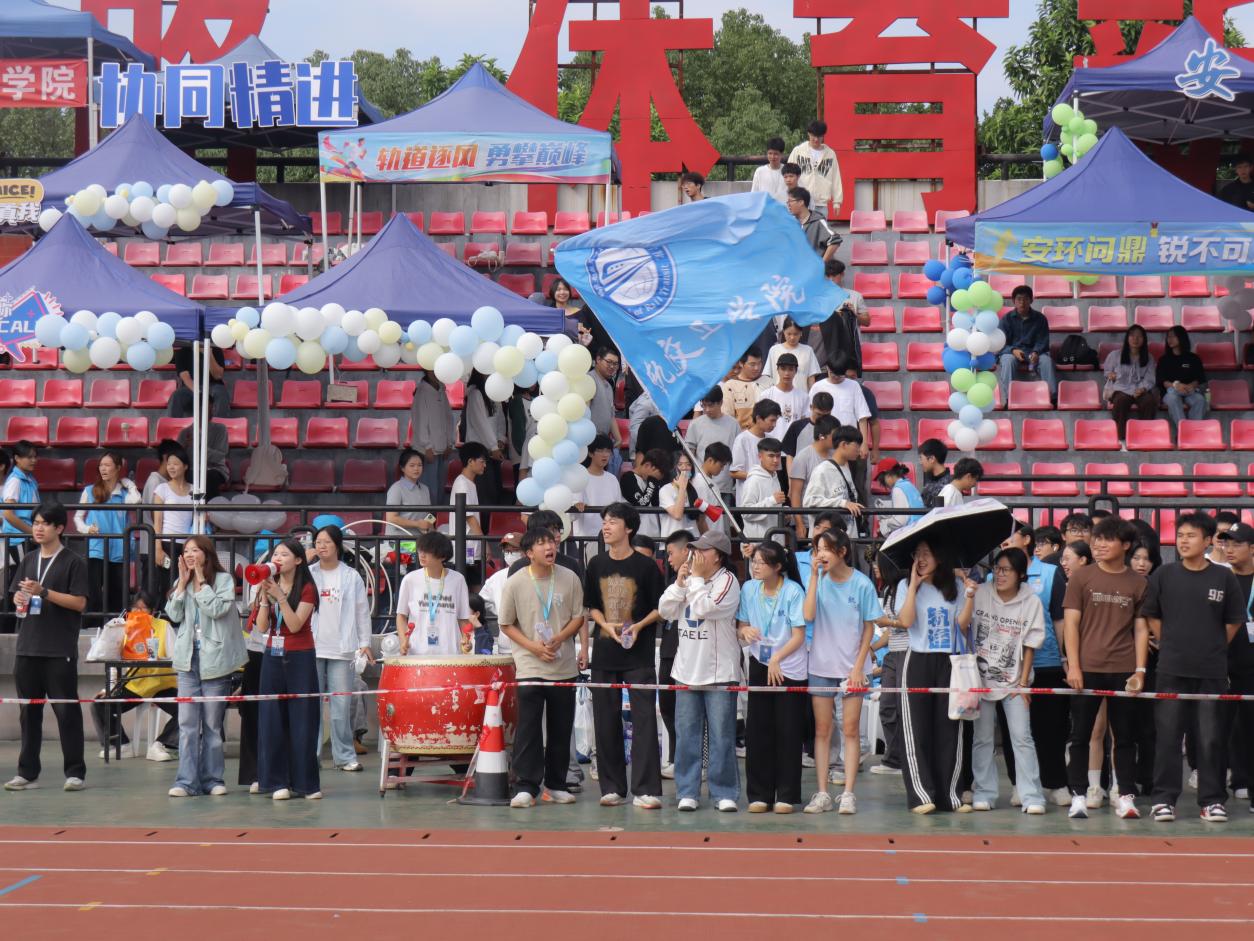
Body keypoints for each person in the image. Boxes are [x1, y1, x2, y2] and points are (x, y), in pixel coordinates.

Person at [1143, 513, 1244, 823]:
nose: (1183, 541)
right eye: (1180, 535)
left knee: (1211, 738)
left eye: (1191, 535)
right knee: (1168, 737)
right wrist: (1170, 643)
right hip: (1171, 669)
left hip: (1212, 672)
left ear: (1208, 540)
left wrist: (1213, 647)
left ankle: (1212, 800)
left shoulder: (1224, 578)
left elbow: (1234, 621)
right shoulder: (1164, 575)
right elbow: (1152, 615)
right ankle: (1164, 799)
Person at [1062, 517, 1149, 820]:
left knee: (1124, 736)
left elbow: (1141, 629)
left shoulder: (1138, 583)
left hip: (1123, 669)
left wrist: (1140, 670)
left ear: (1125, 545)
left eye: (1107, 539)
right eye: (1096, 538)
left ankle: (1125, 796)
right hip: (1087, 668)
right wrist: (1074, 666)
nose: (1098, 544)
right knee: (1080, 735)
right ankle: (1078, 795)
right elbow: (1071, 624)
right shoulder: (1081, 577)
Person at [584, 503, 666, 808]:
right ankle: (612, 788)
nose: (606, 527)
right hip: (604, 652)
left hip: (639, 654)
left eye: (613, 522)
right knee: (605, 720)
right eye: (604, 522)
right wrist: (606, 625)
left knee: (644, 721)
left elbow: (660, 608)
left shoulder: (646, 566)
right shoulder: (596, 564)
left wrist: (638, 626)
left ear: (628, 528)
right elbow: (592, 606)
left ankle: (645, 789)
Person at [4, 502, 89, 792]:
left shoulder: (73, 562)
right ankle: (27, 773)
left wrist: (45, 592)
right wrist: (18, 599)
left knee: (66, 711)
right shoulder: (29, 559)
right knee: (29, 713)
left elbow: (79, 603)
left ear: (60, 528)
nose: (38, 528)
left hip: (58, 648)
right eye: (36, 523)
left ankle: (75, 772)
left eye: (44, 523)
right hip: (28, 646)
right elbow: (17, 594)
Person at [499, 529, 586, 807]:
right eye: (541, 543)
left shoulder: (569, 577)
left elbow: (578, 616)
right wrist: (533, 647)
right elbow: (506, 623)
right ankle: (526, 786)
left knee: (561, 727)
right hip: (529, 665)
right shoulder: (515, 582)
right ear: (529, 553)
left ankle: (556, 784)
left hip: (563, 664)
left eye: (551, 542)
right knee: (529, 727)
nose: (549, 547)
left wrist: (559, 638)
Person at [959, 547, 1047, 813]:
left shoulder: (1031, 601)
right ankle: (984, 792)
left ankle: (1032, 796)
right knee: (982, 738)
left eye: (1006, 570)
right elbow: (962, 625)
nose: (1000, 574)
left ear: (1020, 574)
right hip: (980, 680)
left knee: (1022, 738)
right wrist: (969, 596)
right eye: (997, 569)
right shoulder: (981, 593)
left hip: (1015, 683)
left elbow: (1031, 644)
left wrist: (1023, 683)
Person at [659, 530, 742, 812]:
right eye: (694, 549)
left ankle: (724, 792)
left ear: (717, 556)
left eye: (702, 550)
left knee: (722, 736)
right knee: (686, 735)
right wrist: (679, 583)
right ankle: (687, 791)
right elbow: (665, 610)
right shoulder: (689, 580)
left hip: (719, 673)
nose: (695, 555)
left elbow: (705, 608)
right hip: (686, 671)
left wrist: (693, 581)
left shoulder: (728, 581)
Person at [802, 528, 880, 815]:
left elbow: (869, 627)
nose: (820, 554)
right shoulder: (817, 580)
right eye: (817, 549)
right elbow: (808, 615)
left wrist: (859, 667)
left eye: (826, 548)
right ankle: (822, 793)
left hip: (852, 668)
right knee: (822, 730)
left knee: (850, 729)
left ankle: (848, 793)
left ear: (842, 551)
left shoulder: (862, 584)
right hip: (821, 664)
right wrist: (813, 577)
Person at [890, 539, 968, 813]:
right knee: (916, 729)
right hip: (917, 659)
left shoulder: (956, 586)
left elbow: (962, 625)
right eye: (917, 554)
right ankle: (921, 796)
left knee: (950, 728)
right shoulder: (905, 586)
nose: (920, 559)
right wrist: (913, 585)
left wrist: (970, 596)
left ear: (940, 557)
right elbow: (906, 621)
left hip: (949, 661)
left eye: (927, 553)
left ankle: (951, 796)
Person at [164, 535, 245, 798]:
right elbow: (173, 615)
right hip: (187, 660)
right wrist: (181, 585)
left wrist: (200, 581)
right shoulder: (182, 581)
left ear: (206, 554)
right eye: (186, 551)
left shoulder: (224, 581)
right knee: (187, 724)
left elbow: (217, 610)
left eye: (195, 550)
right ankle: (185, 781)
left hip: (215, 660)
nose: (189, 555)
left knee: (212, 725)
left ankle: (213, 779)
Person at [1000, 523, 1070, 806]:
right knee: (1014, 730)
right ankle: (1019, 783)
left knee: (1050, 727)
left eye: (1009, 538)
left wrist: (1065, 656)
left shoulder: (1051, 573)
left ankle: (1055, 783)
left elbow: (1060, 619)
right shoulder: (995, 577)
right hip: (1008, 667)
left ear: (1027, 539)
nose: (1004, 543)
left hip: (1046, 661)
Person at [737, 542, 807, 813]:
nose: (755, 566)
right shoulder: (749, 588)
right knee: (758, 729)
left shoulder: (793, 591)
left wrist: (777, 658)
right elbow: (741, 625)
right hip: (760, 662)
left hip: (789, 666)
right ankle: (759, 794)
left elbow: (799, 636)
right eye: (754, 561)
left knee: (787, 731)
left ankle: (786, 795)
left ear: (777, 567)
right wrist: (745, 631)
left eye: (761, 562)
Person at [255, 538, 321, 800]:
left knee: (303, 719)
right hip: (272, 655)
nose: (278, 559)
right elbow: (262, 627)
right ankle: (275, 781)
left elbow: (294, 625)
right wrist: (264, 599)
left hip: (300, 656)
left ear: (298, 560)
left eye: (284, 554)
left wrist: (280, 598)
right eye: (276, 554)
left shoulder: (307, 588)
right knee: (271, 718)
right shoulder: (269, 583)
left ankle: (306, 784)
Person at [310, 525, 372, 774]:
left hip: (342, 649)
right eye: (318, 542)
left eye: (326, 542)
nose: (321, 546)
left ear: (337, 545)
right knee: (311, 706)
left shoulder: (351, 576)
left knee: (341, 707)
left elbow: (361, 611)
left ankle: (344, 756)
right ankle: (310, 756)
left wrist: (365, 642)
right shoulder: (308, 573)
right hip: (312, 647)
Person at [90, 591, 178, 760]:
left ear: (152, 611)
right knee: (99, 705)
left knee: (189, 709)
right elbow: (115, 662)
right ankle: (121, 745)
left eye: (143, 608)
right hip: (135, 685)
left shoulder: (163, 626)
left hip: (162, 685)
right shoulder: (125, 628)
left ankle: (162, 745)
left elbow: (176, 658)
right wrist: (108, 689)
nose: (139, 612)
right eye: (135, 608)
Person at [74, 451, 140, 621]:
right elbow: (78, 518)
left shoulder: (124, 494)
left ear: (118, 468)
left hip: (119, 551)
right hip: (96, 549)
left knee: (117, 595)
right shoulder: (90, 491)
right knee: (93, 593)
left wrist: (129, 484)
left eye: (107, 465)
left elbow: (136, 501)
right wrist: (87, 529)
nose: (103, 469)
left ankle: (116, 630)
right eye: (101, 465)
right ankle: (91, 627)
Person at [1220, 523, 1254, 813]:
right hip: (1223, 664)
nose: (1229, 549)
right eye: (1225, 543)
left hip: (1251, 664)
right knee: (1220, 728)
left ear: (1252, 549)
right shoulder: (1220, 578)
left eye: (1236, 543)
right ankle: (1225, 786)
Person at [395, 531, 473, 655]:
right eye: (420, 550)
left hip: (450, 652)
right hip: (417, 652)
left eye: (428, 551)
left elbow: (463, 618)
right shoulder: (410, 579)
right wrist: (403, 640)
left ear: (442, 556)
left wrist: (466, 641)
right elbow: (401, 616)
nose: (422, 555)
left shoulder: (458, 580)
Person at [658, 530, 693, 779]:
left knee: (690, 713)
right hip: (669, 649)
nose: (668, 559)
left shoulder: (704, 579)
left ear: (686, 551)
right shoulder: (674, 580)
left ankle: (695, 762)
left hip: (691, 651)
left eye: (671, 553)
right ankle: (675, 757)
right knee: (668, 707)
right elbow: (664, 611)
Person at [803, 425, 865, 541]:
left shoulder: (846, 468)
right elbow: (809, 502)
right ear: (844, 444)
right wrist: (842, 503)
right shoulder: (822, 470)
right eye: (856, 446)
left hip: (846, 538)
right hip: (827, 541)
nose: (859, 450)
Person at [996, 286, 1057, 402]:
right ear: (1013, 301)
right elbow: (1000, 343)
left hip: (1034, 352)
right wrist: (1013, 350)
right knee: (1007, 360)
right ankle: (1009, 398)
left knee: (1046, 361)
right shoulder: (1006, 319)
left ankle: (1052, 397)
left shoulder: (1040, 318)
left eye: (1025, 299)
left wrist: (1036, 352)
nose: (1022, 302)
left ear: (1031, 300)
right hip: (1012, 353)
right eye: (1019, 299)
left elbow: (1043, 340)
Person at [1104, 325, 1158, 446]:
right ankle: (1120, 438)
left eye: (1139, 336)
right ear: (1127, 338)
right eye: (1132, 335)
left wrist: (1142, 388)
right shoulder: (1115, 355)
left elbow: (1150, 378)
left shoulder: (1149, 357)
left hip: (1140, 389)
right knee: (1121, 400)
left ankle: (1145, 436)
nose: (1135, 339)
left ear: (1144, 339)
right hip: (1121, 388)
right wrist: (1110, 375)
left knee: (1149, 401)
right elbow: (1107, 372)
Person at [685, 387, 740, 507]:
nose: (707, 409)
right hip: (701, 484)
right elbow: (689, 454)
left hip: (724, 485)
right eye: (703, 405)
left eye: (710, 405)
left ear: (720, 402)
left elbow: (737, 455)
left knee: (722, 517)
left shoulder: (733, 424)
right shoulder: (695, 424)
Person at [572, 435, 624, 560]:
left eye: (608, 451)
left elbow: (619, 509)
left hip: (613, 539)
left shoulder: (612, 479)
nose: (605, 455)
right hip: (589, 539)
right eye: (600, 451)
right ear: (590, 453)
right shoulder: (581, 478)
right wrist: (577, 505)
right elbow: (572, 513)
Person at [462, 371, 508, 507]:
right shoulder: (476, 394)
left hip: (493, 451)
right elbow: (481, 423)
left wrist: (500, 439)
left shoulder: (494, 393)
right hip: (480, 451)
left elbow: (500, 418)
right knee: (484, 492)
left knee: (495, 490)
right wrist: (493, 446)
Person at [152, 443, 194, 595]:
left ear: (185, 466)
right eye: (169, 464)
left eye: (175, 464)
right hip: (167, 543)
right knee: (167, 587)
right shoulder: (161, 489)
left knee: (186, 586)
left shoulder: (194, 490)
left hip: (188, 545)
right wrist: (157, 548)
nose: (171, 467)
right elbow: (157, 522)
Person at [789, 415, 838, 540]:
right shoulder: (803, 457)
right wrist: (799, 523)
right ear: (822, 436)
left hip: (832, 520)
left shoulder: (836, 456)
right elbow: (795, 493)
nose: (837, 439)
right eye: (834, 436)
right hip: (809, 522)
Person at [411, 370, 457, 504]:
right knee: (429, 490)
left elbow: (448, 418)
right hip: (428, 450)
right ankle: (429, 517)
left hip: (442, 448)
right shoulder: (422, 392)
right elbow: (420, 421)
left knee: (439, 488)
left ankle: (437, 516)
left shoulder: (441, 389)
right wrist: (427, 446)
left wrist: (450, 442)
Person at [817, 259, 868, 375]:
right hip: (826, 347)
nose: (831, 279)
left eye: (834, 276)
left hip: (849, 347)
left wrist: (854, 314)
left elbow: (867, 321)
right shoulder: (819, 297)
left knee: (849, 380)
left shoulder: (855, 296)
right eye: (828, 276)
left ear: (842, 274)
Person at [809, 353, 871, 446]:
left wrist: (864, 443)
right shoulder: (817, 387)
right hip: (824, 440)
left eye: (840, 375)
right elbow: (809, 415)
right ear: (827, 368)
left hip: (848, 440)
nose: (836, 378)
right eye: (833, 374)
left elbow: (862, 416)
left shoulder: (853, 386)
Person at [788, 120, 842, 216]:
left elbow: (836, 178)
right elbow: (788, 174)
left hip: (821, 204)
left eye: (819, 136)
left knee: (820, 225)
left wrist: (837, 202)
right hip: (801, 202)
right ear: (808, 134)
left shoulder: (830, 154)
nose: (816, 139)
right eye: (813, 136)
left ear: (823, 136)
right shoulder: (798, 151)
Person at [730, 400, 781, 502]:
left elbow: (775, 471)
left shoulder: (772, 439)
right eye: (771, 420)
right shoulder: (742, 439)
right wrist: (758, 477)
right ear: (758, 418)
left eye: (776, 421)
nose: (774, 425)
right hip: (749, 499)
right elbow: (734, 472)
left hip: (770, 498)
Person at [739, 438, 787, 543]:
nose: (775, 460)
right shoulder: (753, 480)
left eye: (778, 456)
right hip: (758, 543)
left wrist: (784, 513)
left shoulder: (775, 476)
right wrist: (772, 500)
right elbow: (745, 513)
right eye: (771, 456)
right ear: (760, 456)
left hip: (775, 541)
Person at [449, 442, 488, 571]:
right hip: (466, 548)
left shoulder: (467, 483)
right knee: (470, 581)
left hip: (469, 547)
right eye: (482, 461)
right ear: (470, 461)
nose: (485, 465)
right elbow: (470, 518)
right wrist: (485, 543)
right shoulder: (462, 484)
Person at [384, 448, 434, 548]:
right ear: (402, 468)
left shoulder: (425, 489)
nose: (416, 469)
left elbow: (429, 515)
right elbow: (391, 518)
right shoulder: (396, 489)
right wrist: (417, 524)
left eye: (419, 465)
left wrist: (431, 528)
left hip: (420, 541)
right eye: (412, 465)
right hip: (399, 542)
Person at [1158, 325, 1207, 425]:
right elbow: (1162, 380)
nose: (1170, 339)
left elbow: (1199, 378)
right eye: (1168, 337)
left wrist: (1191, 385)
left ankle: (1193, 428)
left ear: (1181, 337)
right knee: (1173, 399)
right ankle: (1183, 429)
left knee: (1200, 400)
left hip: (1189, 390)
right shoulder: (1164, 359)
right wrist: (1176, 385)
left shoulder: (1193, 358)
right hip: (1171, 391)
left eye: (1173, 336)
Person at [2, 440, 39, 566]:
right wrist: (32, 532)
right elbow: (8, 514)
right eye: (29, 457)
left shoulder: (30, 479)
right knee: (22, 576)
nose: (33, 460)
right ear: (17, 458)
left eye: (35, 457)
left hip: (27, 537)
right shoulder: (15, 481)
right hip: (18, 540)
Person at [620, 447, 671, 540]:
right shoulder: (628, 478)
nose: (656, 479)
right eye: (656, 476)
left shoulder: (650, 482)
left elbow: (657, 503)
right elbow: (642, 503)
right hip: (637, 536)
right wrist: (653, 480)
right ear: (647, 465)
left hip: (654, 535)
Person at [589, 347, 625, 473]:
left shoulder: (609, 386)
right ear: (598, 360)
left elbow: (611, 415)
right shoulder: (589, 380)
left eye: (615, 364)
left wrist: (618, 438)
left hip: (602, 442)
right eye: (609, 362)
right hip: (589, 442)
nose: (612, 366)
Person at [169, 342, 227, 418]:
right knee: (176, 395)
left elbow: (218, 376)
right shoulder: (182, 352)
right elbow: (186, 378)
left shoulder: (216, 350)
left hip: (213, 385)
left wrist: (209, 354)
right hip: (191, 387)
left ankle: (219, 423)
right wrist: (199, 392)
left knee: (220, 393)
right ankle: (174, 423)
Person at [764, 317, 823, 388]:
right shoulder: (774, 350)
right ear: (784, 332)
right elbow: (768, 377)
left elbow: (811, 377)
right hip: (777, 393)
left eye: (795, 334)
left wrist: (812, 393)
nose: (792, 337)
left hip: (801, 393)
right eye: (789, 334)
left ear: (801, 333)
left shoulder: (808, 350)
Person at [787, 186, 840, 261]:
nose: (788, 204)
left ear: (801, 202)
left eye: (790, 201)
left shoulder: (818, 221)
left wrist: (822, 263)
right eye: (787, 202)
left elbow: (835, 240)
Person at [873, 458, 923, 537]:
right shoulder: (908, 485)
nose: (883, 484)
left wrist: (884, 527)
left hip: (911, 533)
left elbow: (900, 521)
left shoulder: (898, 489)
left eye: (882, 480)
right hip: (918, 530)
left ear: (888, 475)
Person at [658, 451, 701, 539]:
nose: (684, 468)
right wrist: (682, 487)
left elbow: (699, 520)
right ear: (672, 468)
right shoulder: (666, 490)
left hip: (692, 540)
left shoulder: (692, 489)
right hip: (674, 541)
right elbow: (677, 515)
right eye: (680, 464)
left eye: (688, 464)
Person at [721, 351, 765, 430]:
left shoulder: (769, 381)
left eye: (759, 363)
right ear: (741, 363)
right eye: (752, 364)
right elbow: (727, 418)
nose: (757, 368)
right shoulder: (729, 386)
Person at [750, 137, 788, 204]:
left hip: (783, 208)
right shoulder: (760, 171)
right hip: (765, 208)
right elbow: (754, 195)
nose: (772, 157)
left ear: (781, 154)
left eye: (776, 154)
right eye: (770, 153)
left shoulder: (788, 171)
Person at [918, 439, 952, 509]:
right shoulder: (931, 478)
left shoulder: (949, 485)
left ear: (932, 459)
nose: (920, 462)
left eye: (921, 458)